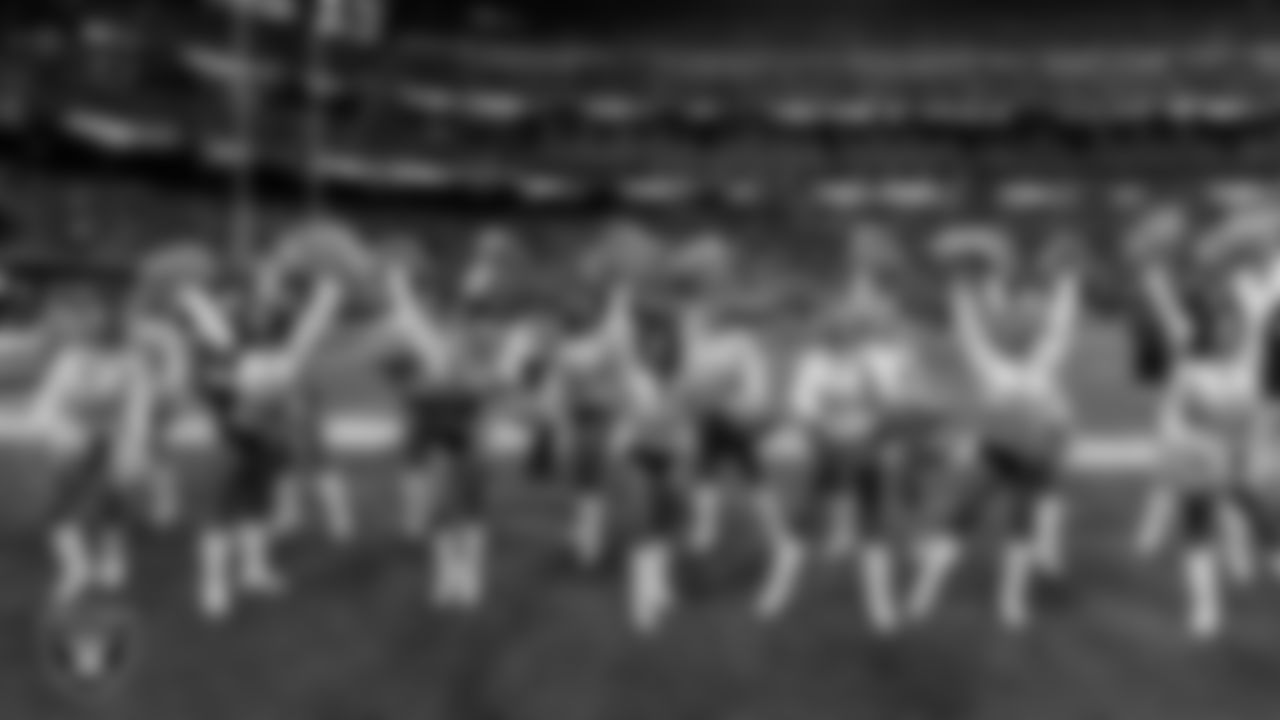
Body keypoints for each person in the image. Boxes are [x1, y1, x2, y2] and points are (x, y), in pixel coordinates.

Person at [908, 224, 1082, 631]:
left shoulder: (1010, 361)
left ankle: (999, 599)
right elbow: (1056, 322)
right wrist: (959, 283)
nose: (1026, 328)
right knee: (971, 522)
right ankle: (934, 592)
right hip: (1005, 453)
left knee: (1003, 526)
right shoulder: (1018, 361)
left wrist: (1068, 281)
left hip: (1018, 454)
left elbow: (973, 325)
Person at [183, 246, 343, 620]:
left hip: (268, 420)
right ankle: (213, 583)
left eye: (277, 279)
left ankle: (254, 570)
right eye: (266, 277)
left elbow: (304, 338)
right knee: (223, 505)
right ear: (249, 283)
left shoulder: (280, 316)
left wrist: (326, 297)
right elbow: (212, 364)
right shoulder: (229, 316)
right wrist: (237, 382)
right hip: (232, 424)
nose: (274, 286)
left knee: (259, 500)